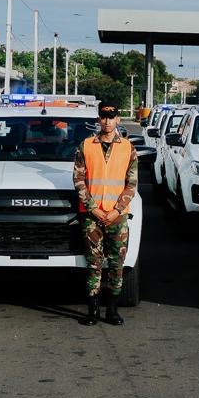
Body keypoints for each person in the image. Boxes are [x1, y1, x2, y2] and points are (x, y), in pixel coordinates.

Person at [72, 101, 139, 326]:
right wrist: (93, 208)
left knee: (116, 265)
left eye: (111, 117)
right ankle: (92, 312)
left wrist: (117, 209)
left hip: (117, 217)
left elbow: (131, 184)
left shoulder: (128, 148)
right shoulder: (86, 145)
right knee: (94, 264)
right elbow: (78, 179)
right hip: (92, 216)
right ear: (98, 119)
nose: (107, 121)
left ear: (118, 119)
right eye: (103, 117)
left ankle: (112, 311)